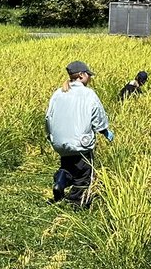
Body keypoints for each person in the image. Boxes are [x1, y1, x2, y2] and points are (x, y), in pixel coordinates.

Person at [45, 60, 112, 208]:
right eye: (89, 75)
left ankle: (60, 181)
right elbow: (98, 117)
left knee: (68, 165)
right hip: (81, 143)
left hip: (60, 144)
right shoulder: (88, 94)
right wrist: (105, 131)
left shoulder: (58, 93)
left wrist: (51, 136)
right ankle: (76, 203)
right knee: (84, 174)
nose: (90, 77)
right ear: (81, 75)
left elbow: (48, 117)